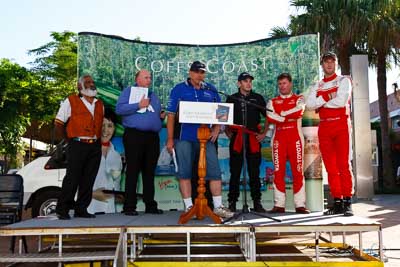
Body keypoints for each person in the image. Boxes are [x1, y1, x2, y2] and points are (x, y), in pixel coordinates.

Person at [166, 60, 234, 218]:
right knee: (184, 172)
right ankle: (189, 207)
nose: (199, 75)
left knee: (214, 171)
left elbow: (221, 111)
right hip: (184, 137)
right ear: (190, 73)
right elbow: (170, 115)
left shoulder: (211, 89)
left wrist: (217, 128)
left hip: (206, 138)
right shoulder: (179, 89)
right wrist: (170, 139)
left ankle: (218, 207)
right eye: (197, 72)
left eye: (202, 72)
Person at [306, 52, 354, 216]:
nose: (329, 65)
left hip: (341, 124)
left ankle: (348, 201)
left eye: (332, 62)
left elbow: (341, 101)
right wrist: (328, 96)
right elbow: (310, 105)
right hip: (325, 126)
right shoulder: (317, 85)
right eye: (326, 62)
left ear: (336, 63)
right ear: (322, 65)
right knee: (330, 167)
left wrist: (322, 101)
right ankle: (337, 202)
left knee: (343, 164)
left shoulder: (344, 81)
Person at [54, 74, 104, 220]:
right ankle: (62, 209)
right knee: (72, 178)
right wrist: (69, 140)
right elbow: (58, 123)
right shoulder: (71, 101)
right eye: (88, 82)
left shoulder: (100, 104)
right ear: (79, 86)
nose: (91, 84)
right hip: (76, 144)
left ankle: (81, 209)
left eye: (93, 82)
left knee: (88, 179)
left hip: (94, 146)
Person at [116, 69, 163, 216]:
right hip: (134, 136)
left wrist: (160, 117)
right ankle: (129, 206)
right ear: (137, 79)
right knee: (133, 171)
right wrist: (138, 105)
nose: (149, 80)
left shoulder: (153, 95)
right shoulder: (128, 92)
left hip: (152, 137)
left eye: (150, 77)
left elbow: (154, 114)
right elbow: (119, 109)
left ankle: (150, 205)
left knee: (149, 172)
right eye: (146, 77)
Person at [266, 73, 310, 214]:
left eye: (284, 83)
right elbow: (270, 116)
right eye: (280, 84)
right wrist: (286, 117)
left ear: (290, 84)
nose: (282, 86)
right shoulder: (272, 101)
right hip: (278, 139)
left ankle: (300, 205)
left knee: (298, 171)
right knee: (278, 172)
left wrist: (282, 115)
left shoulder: (299, 99)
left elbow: (299, 111)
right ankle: (279, 205)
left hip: (295, 138)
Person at [224, 72, 268, 212]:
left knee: (254, 172)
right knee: (235, 172)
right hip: (237, 138)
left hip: (253, 139)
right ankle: (232, 202)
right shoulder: (231, 98)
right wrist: (227, 132)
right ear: (239, 84)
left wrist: (264, 133)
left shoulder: (258, 98)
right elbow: (223, 118)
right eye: (245, 81)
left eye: (250, 81)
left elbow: (268, 116)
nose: (248, 83)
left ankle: (257, 202)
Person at [88, 108, 123, 214]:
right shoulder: (87, 152)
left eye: (110, 126)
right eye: (102, 125)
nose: (105, 130)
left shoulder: (116, 157)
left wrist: (120, 197)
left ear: (114, 129)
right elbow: (75, 186)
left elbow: (116, 185)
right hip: (89, 212)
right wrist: (93, 194)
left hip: (110, 213)